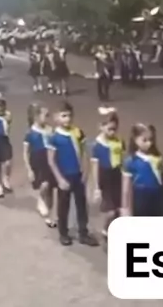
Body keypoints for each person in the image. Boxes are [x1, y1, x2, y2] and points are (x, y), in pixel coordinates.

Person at [46, 101, 99, 246]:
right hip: (64, 176)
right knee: (63, 206)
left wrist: (85, 172)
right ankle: (63, 233)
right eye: (63, 116)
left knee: (82, 205)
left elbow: (85, 153)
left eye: (69, 116)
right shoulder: (54, 137)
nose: (67, 119)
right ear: (56, 117)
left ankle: (83, 232)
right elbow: (51, 160)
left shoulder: (78, 132)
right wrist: (59, 179)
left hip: (78, 175)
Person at [121, 123, 163, 217]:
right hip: (140, 198)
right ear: (135, 140)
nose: (149, 143)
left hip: (157, 197)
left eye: (151, 140)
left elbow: (162, 180)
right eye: (144, 140)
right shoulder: (131, 161)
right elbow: (126, 188)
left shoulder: (157, 157)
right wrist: (125, 208)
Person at [90, 107, 124, 237]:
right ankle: (106, 229)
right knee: (110, 211)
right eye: (109, 129)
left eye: (114, 129)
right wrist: (96, 187)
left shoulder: (119, 141)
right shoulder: (98, 146)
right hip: (105, 178)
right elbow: (95, 166)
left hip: (117, 176)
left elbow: (122, 159)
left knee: (119, 208)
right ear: (101, 127)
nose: (112, 132)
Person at [24, 102, 57, 227]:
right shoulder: (30, 132)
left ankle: (50, 215)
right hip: (38, 162)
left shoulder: (50, 130)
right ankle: (40, 198)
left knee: (50, 189)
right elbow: (25, 152)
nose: (47, 118)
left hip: (50, 161)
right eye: (45, 115)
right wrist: (29, 169)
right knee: (44, 185)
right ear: (36, 116)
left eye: (48, 115)